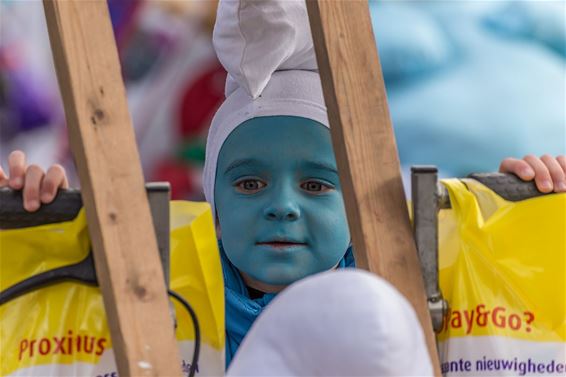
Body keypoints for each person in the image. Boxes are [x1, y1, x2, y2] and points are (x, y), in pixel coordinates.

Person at [2, 0, 566, 373]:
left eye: (319, 185)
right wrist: (32, 221)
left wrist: (535, 210)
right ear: (212, 200)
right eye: (248, 182)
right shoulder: (156, 278)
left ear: (362, 197)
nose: (284, 207)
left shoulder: (423, 276)